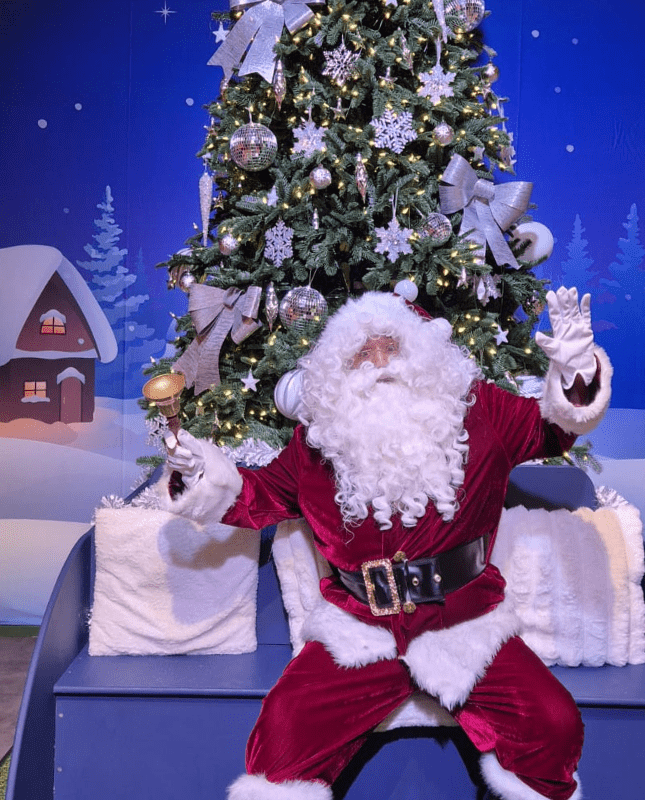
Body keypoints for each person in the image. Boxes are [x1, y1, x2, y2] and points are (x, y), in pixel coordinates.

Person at [162, 287, 612, 800]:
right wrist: (199, 475)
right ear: (339, 373)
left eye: (390, 347)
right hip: (360, 629)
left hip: (465, 623)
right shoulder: (319, 440)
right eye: (361, 354)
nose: (378, 364)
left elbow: (550, 428)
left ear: (421, 354)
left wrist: (576, 376)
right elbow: (257, 495)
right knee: (283, 729)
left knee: (552, 724)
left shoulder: (480, 409)